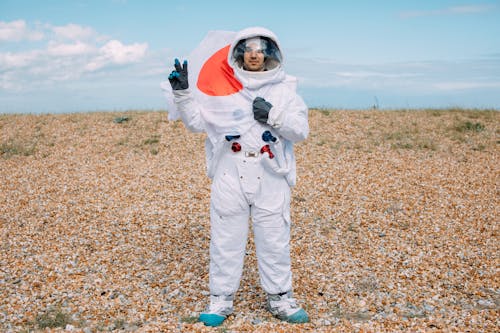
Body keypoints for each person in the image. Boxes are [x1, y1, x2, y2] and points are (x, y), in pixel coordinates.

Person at [167, 26, 309, 327]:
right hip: (230, 169)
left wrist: (274, 116)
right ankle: (220, 299)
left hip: (270, 171)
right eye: (248, 47)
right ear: (238, 53)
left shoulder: (285, 89)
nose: (254, 53)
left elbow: (300, 131)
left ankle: (281, 297)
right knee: (225, 237)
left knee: (274, 237)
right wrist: (182, 94)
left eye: (260, 48)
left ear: (271, 52)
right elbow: (196, 123)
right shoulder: (223, 88)